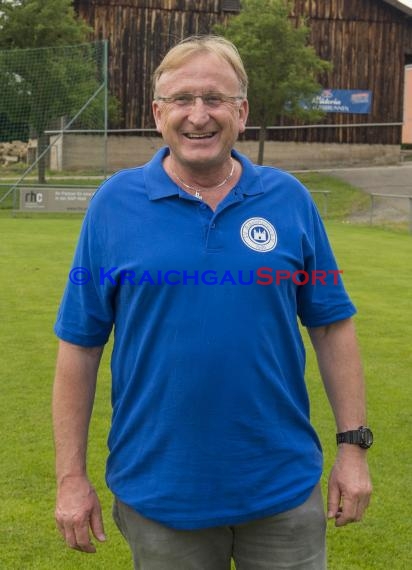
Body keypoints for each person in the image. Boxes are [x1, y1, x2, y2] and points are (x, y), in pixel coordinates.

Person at [53, 35, 373, 570]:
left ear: (241, 112)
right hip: (160, 492)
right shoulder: (114, 205)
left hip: (282, 490)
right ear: (158, 114)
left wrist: (353, 449)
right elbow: (79, 347)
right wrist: (70, 478)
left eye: (214, 98)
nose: (197, 115)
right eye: (181, 99)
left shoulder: (289, 200)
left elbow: (331, 327)